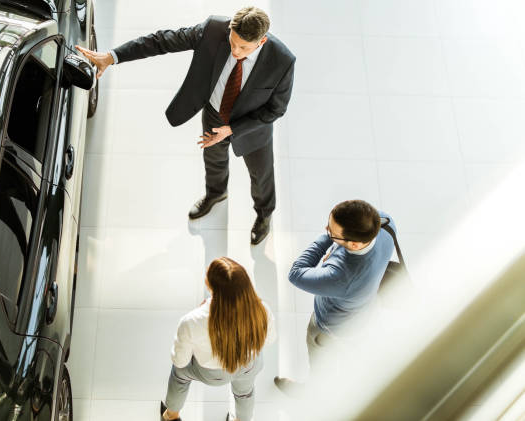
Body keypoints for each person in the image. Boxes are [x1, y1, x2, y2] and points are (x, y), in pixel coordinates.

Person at [75, 7, 296, 245]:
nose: (235, 50)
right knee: (213, 160)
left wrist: (232, 130)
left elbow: (276, 109)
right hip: (214, 113)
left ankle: (264, 215)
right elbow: (161, 41)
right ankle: (215, 193)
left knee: (261, 175)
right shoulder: (213, 30)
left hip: (253, 126)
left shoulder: (282, 60)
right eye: (232, 42)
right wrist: (112, 56)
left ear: (261, 41)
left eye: (243, 48)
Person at [274, 200, 396, 392]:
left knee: (319, 357)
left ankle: (313, 391)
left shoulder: (341, 277)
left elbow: (296, 274)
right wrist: (335, 246)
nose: (326, 230)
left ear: (354, 244)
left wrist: (326, 241)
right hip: (367, 309)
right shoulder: (386, 222)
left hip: (332, 325)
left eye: (331, 232)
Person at [161, 257, 276, 421]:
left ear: (210, 286)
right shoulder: (262, 309)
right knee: (245, 394)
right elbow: (269, 339)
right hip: (249, 366)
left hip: (212, 374)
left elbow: (180, 361)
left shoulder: (192, 321)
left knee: (179, 375)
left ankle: (171, 416)